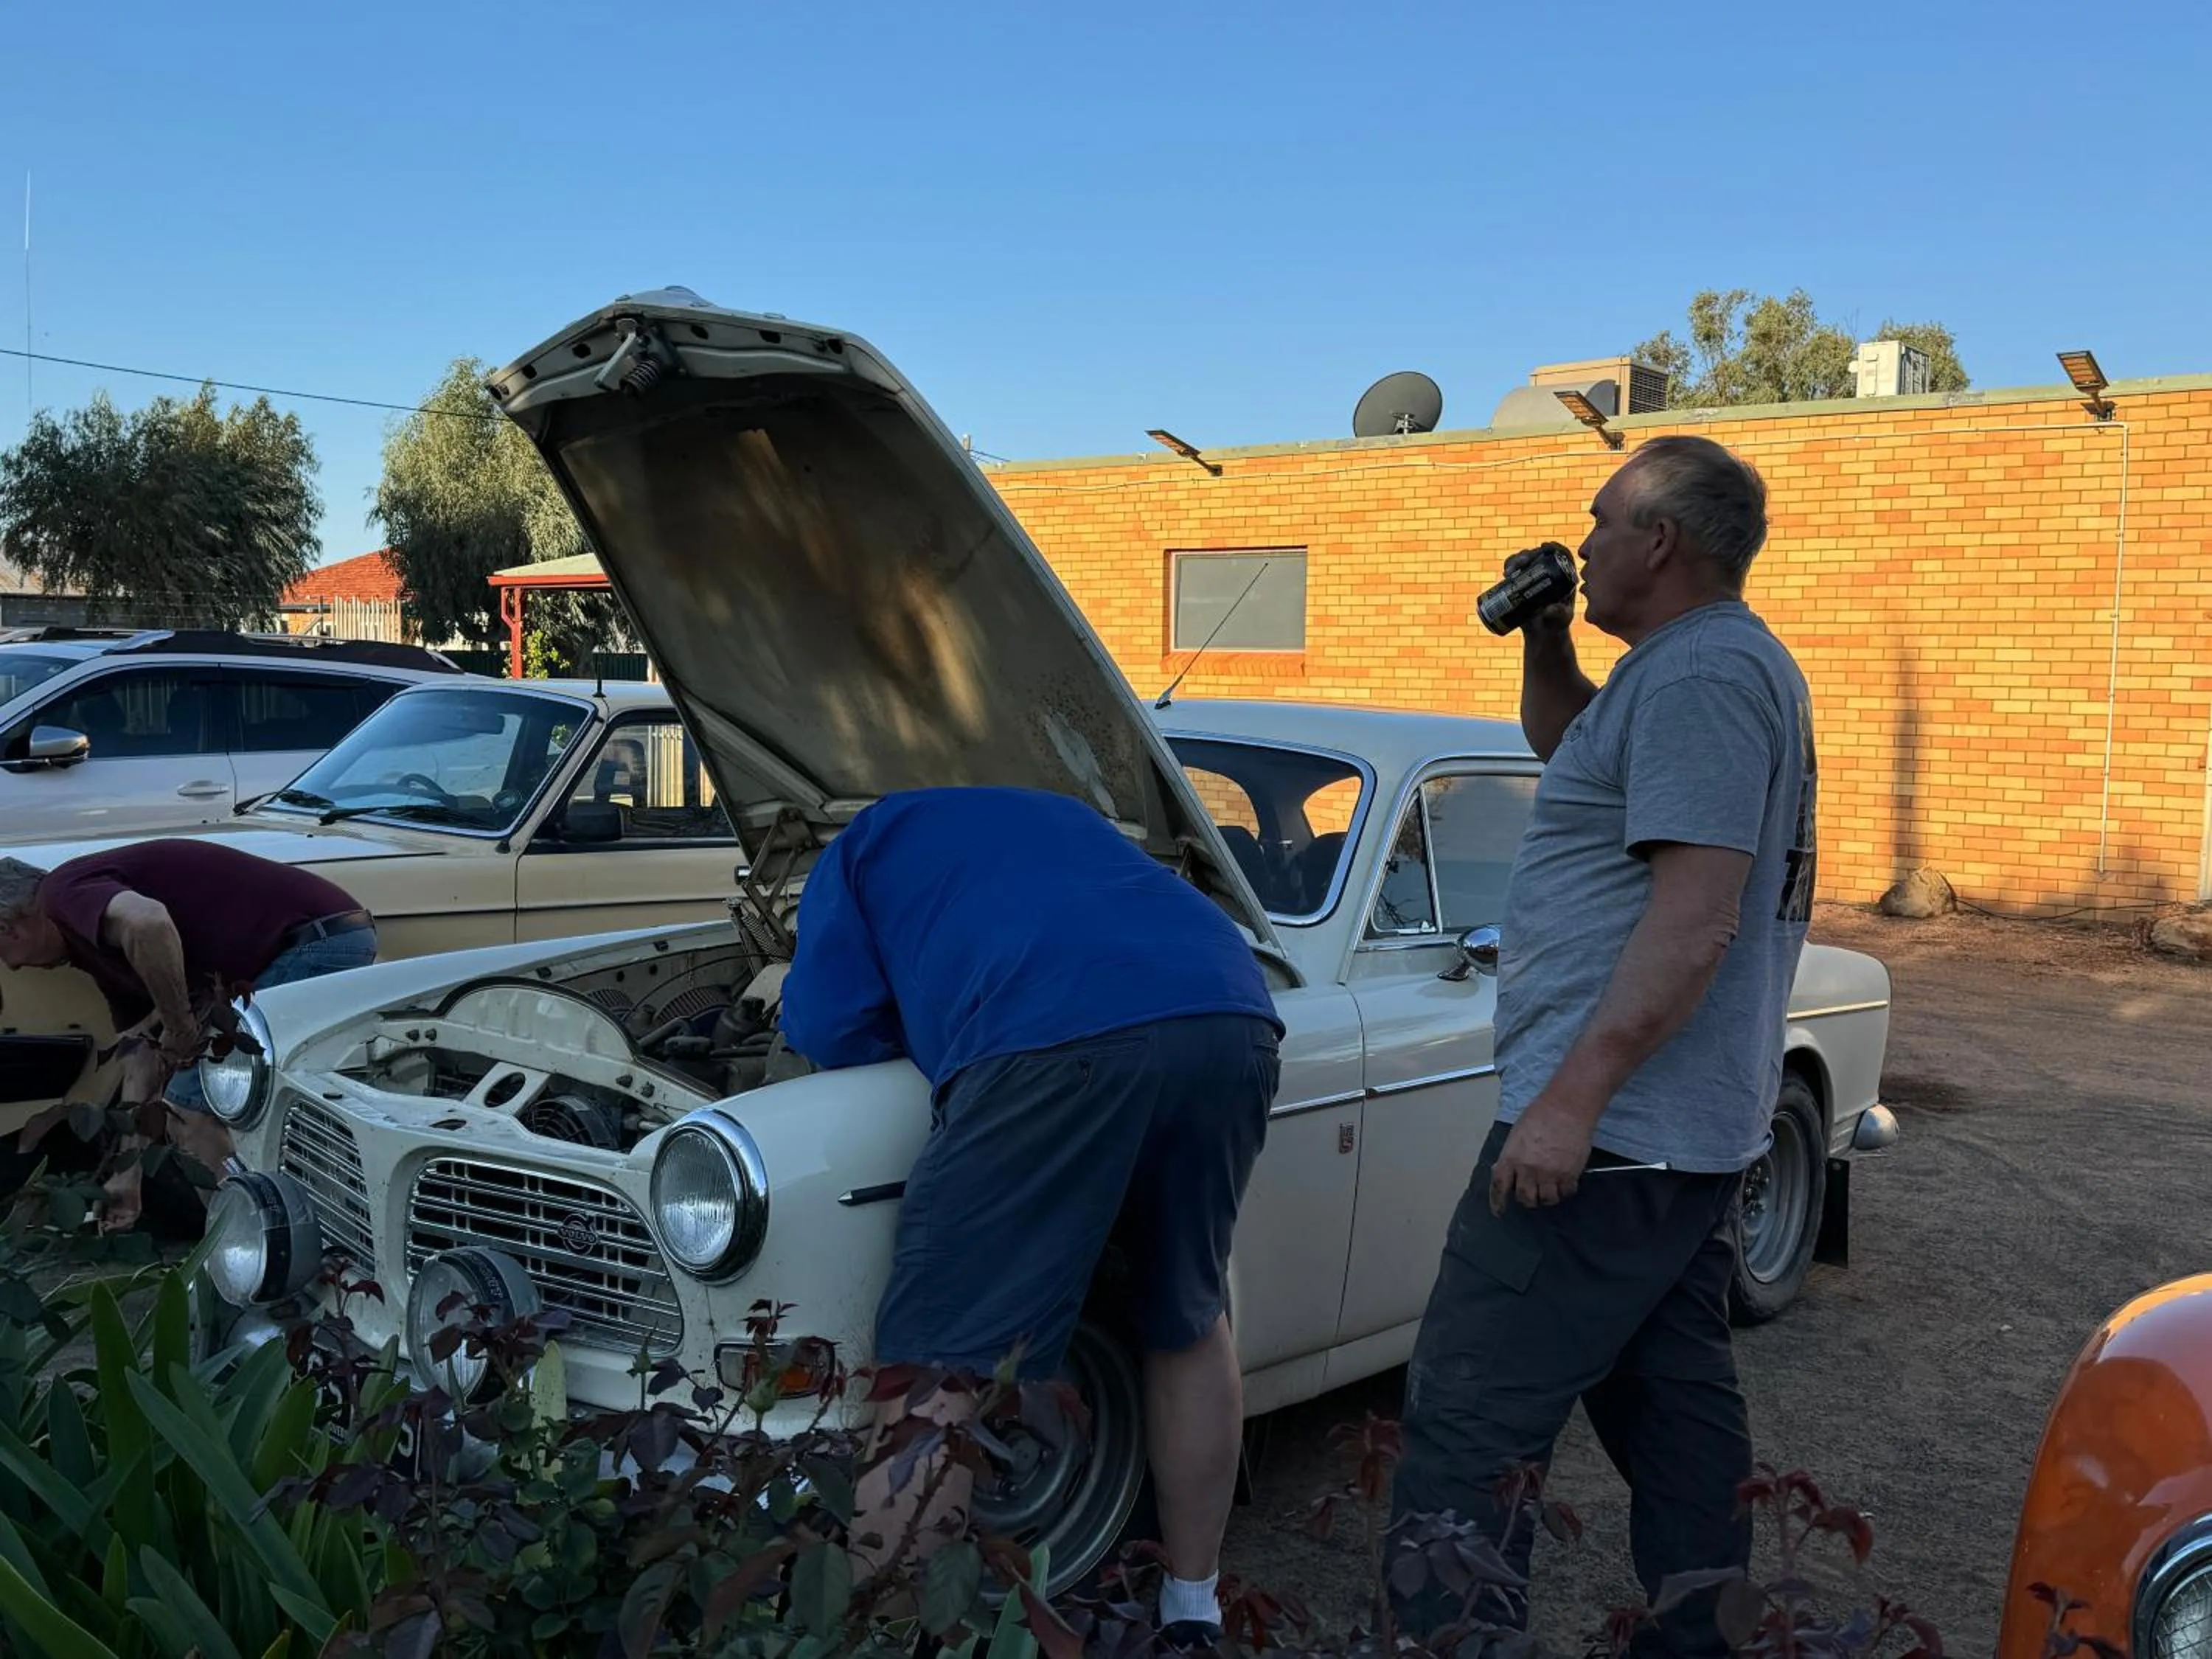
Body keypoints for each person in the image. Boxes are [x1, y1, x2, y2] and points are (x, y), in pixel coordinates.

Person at [1388, 436, 1817, 1655]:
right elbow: (1573, 752)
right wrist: (1547, 639)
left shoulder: (1700, 680)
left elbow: (1692, 921)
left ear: (1661, 538)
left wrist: (1570, 1102)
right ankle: (1708, 1636)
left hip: (1613, 1137)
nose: (1582, 544)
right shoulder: (1696, 672)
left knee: (1467, 1425)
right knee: (1676, 1414)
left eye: (1600, 523)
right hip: (1672, 1141)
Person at [776, 785, 1284, 1645]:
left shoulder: (862, 845)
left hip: (1056, 1035)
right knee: (1189, 1315)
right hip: (1230, 1014)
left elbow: (832, 1031)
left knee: (937, 1371)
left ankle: (895, 1639)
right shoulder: (1065, 817)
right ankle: (1192, 1612)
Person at [0, 841, 378, 1226]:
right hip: (297, 947)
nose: (11, 968)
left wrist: (178, 1023)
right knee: (197, 1100)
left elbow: (148, 922)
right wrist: (126, 1174)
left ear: (8, 925)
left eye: (0, 951)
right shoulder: (94, 949)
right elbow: (140, 1060)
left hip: (316, 940)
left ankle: (257, 1239)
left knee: (190, 1105)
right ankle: (260, 1238)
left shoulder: (62, 893)